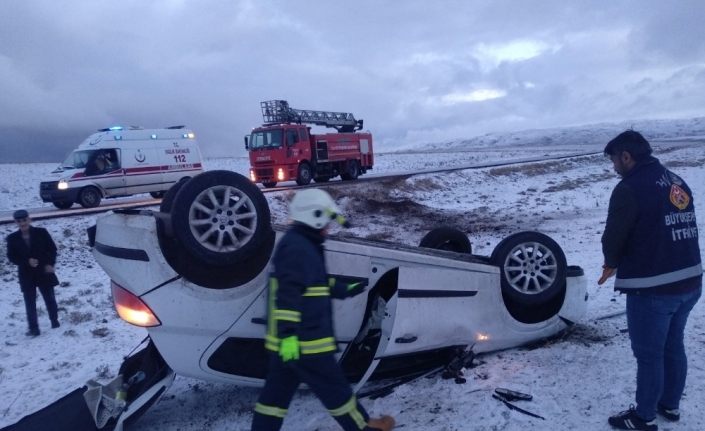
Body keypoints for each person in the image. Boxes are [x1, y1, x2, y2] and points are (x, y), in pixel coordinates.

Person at [251, 189, 395, 431]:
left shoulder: (302, 243)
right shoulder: (299, 248)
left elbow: (311, 284)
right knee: (336, 390)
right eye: (327, 222)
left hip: (288, 344)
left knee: (273, 400)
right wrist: (289, 336)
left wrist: (343, 288)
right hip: (305, 342)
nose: (329, 228)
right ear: (314, 217)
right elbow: (287, 296)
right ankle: (364, 427)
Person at [598, 131, 702, 430]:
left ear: (626, 156)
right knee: (673, 345)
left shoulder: (629, 188)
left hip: (654, 288)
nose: (613, 167)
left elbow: (613, 238)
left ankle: (643, 417)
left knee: (649, 355)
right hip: (690, 281)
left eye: (614, 160)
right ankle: (669, 405)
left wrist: (611, 263)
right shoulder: (675, 180)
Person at [6, 209, 61, 336]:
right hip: (26, 274)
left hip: (43, 271)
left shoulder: (41, 232)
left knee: (50, 298)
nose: (22, 223)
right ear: (16, 222)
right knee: (29, 302)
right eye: (19, 221)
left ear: (29, 219)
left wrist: (50, 264)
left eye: (24, 220)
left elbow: (52, 249)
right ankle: (34, 328)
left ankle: (54, 320)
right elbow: (11, 257)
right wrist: (26, 261)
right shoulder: (12, 238)